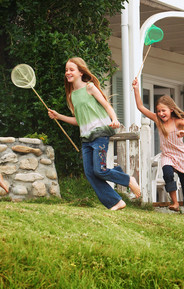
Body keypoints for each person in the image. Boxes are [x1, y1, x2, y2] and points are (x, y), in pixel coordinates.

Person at [48, 57, 140, 211]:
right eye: (66, 70)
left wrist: (115, 119)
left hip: (100, 133)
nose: (67, 73)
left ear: (80, 72)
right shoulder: (72, 95)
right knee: (90, 173)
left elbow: (106, 105)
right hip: (86, 138)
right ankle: (116, 202)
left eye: (71, 69)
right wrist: (58, 116)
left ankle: (129, 180)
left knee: (99, 170)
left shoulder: (90, 87)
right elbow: (79, 120)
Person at [132, 77, 184, 215]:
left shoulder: (178, 121)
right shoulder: (158, 120)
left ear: (171, 109)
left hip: (180, 156)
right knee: (167, 174)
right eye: (159, 111)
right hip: (167, 155)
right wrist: (136, 89)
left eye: (164, 110)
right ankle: (174, 203)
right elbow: (140, 107)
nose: (161, 114)